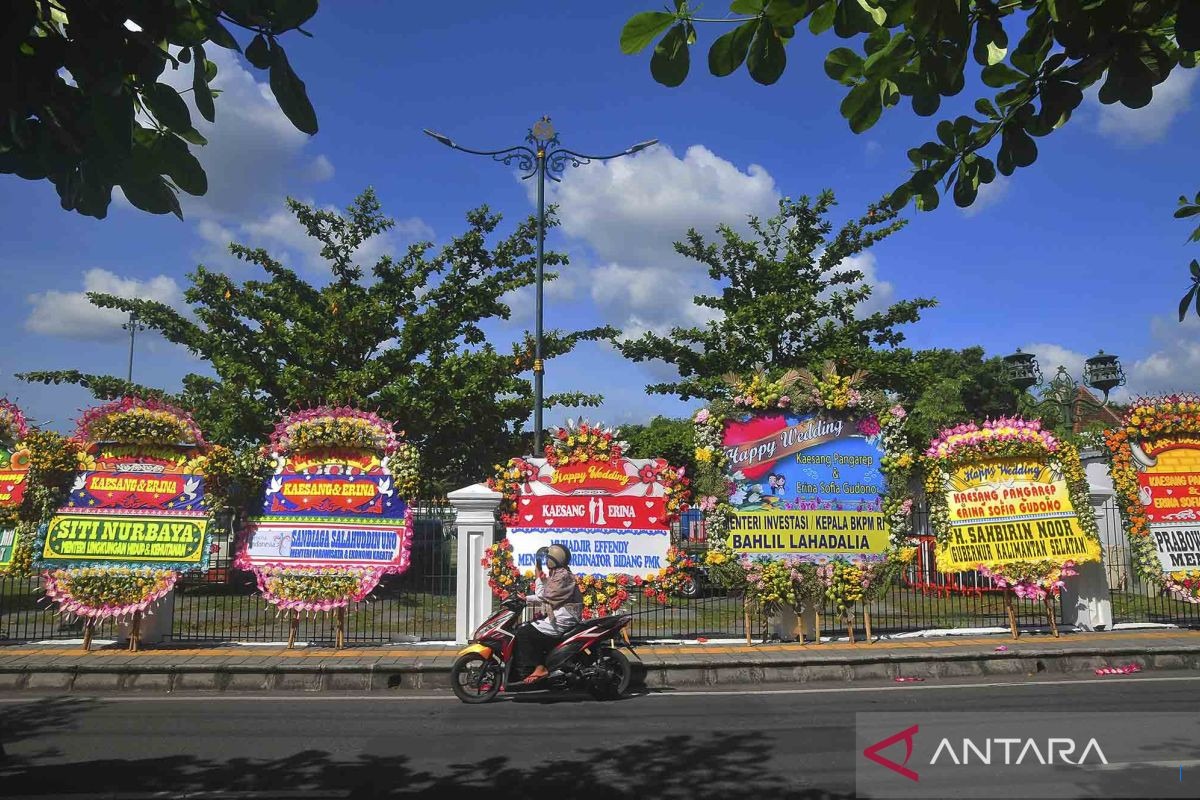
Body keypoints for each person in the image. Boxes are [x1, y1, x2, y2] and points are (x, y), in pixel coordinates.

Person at [515, 544, 582, 684]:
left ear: (553, 560)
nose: (545, 561)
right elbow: (547, 594)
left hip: (564, 617)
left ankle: (540, 667)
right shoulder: (559, 573)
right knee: (529, 628)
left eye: (547, 558)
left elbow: (545, 596)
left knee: (524, 633)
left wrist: (538, 577)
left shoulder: (562, 576)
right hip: (559, 615)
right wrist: (526, 598)